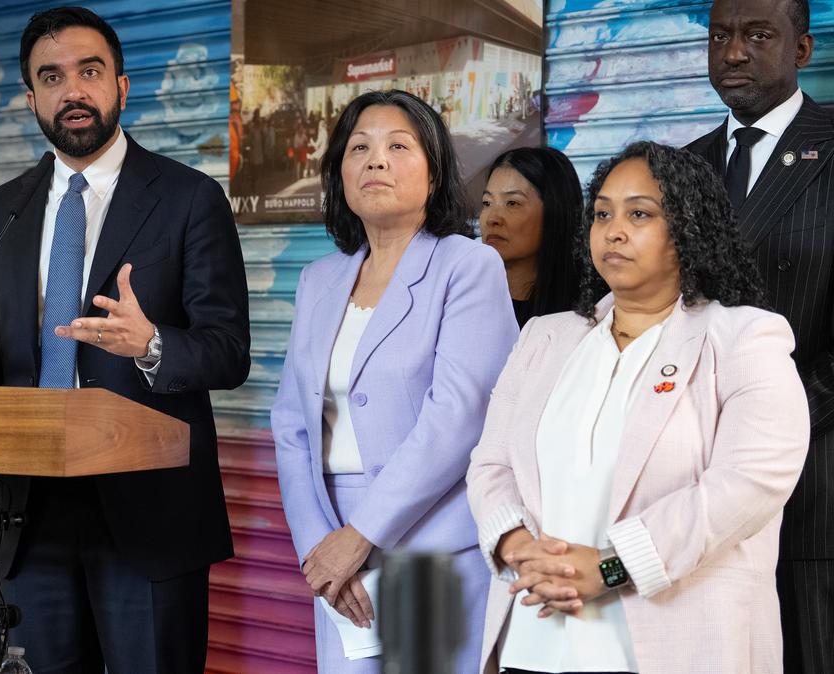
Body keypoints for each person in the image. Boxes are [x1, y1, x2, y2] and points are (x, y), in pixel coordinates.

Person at [0, 7, 250, 672]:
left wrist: (150, 344)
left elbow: (228, 350)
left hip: (148, 509)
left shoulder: (188, 198)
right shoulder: (0, 207)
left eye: (89, 72)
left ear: (122, 85)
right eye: (52, 76)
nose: (73, 90)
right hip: (28, 511)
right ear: (30, 98)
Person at [466, 141, 809, 674]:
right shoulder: (545, 337)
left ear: (688, 230)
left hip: (674, 645)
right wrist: (515, 547)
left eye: (640, 214)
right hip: (535, 639)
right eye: (602, 213)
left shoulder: (742, 338)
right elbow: (490, 465)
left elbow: (751, 481)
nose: (614, 230)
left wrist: (609, 567)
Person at [272, 89, 516, 674]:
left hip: (428, 541)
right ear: (340, 175)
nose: (375, 160)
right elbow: (290, 424)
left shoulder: (467, 266)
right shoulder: (319, 280)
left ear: (433, 177)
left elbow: (457, 418)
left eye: (398, 146)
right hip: (333, 547)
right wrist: (318, 547)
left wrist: (363, 534)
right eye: (359, 148)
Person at [684, 2, 833, 669]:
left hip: (813, 482)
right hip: (693, 484)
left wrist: (773, 422)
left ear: (801, 49)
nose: (734, 51)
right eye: (721, 35)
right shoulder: (678, 170)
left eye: (757, 35)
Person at [480, 147, 583, 327]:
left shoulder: (589, 310)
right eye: (487, 203)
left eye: (512, 203)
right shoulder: (465, 296)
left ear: (555, 211)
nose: (492, 219)